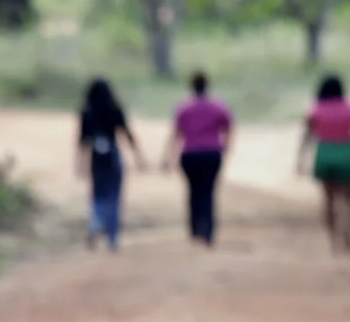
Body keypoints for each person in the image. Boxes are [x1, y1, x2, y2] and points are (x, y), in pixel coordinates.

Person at [297, 74, 350, 254]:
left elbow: (307, 136)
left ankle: (333, 239)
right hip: (346, 152)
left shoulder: (315, 108)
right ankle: (348, 235)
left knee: (328, 199)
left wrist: (300, 159)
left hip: (325, 153)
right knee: (349, 200)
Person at [162, 71, 234, 246]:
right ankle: (208, 230)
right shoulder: (216, 106)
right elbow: (228, 126)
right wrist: (225, 145)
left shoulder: (184, 107)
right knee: (208, 191)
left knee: (193, 191)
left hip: (191, 154)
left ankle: (195, 229)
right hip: (211, 153)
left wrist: (168, 156)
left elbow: (176, 134)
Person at [75, 79, 146, 252]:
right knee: (114, 196)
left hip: (96, 158)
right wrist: (138, 157)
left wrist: (80, 164)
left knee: (98, 194)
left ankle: (96, 222)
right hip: (113, 155)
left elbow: (83, 141)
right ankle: (112, 237)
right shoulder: (114, 109)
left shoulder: (86, 112)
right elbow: (127, 133)